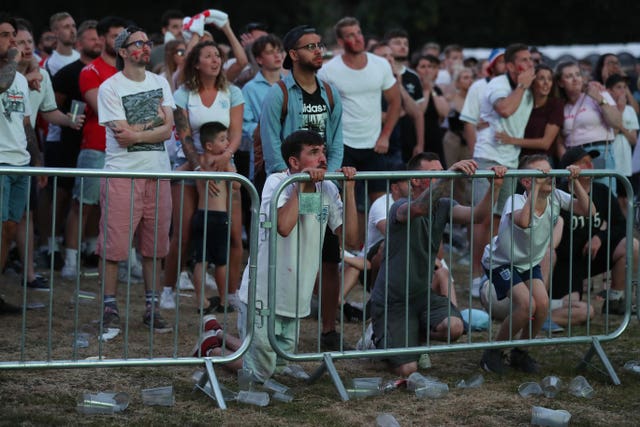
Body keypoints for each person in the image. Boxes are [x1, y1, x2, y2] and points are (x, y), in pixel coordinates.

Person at [237, 130, 358, 383]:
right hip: (264, 294)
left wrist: (350, 191)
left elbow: (352, 239)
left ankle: (219, 338)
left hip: (296, 297)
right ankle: (212, 348)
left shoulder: (327, 187)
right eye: (314, 153)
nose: (322, 158)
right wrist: (302, 184)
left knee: (279, 365)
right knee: (258, 373)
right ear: (294, 162)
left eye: (323, 151)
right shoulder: (276, 182)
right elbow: (284, 226)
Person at [370, 156, 507, 376]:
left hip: (421, 296)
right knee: (407, 370)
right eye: (435, 173)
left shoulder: (443, 205)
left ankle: (410, 336)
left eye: (443, 172)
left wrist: (495, 186)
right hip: (392, 302)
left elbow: (478, 216)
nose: (444, 176)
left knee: (455, 327)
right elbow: (420, 208)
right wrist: (448, 174)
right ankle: (380, 340)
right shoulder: (400, 206)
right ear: (415, 180)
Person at [259, 25, 346, 350]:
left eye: (319, 45)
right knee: (292, 250)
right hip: (293, 187)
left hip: (321, 186)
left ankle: (328, 329)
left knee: (327, 256)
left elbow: (336, 141)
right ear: (293, 55)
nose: (317, 50)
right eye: (309, 46)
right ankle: (276, 319)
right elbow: (271, 147)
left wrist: (328, 180)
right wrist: (293, 183)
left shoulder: (330, 93)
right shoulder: (279, 94)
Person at [480, 154, 594, 374]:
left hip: (527, 262)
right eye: (541, 174)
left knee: (542, 305)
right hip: (501, 262)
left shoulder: (557, 197)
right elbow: (524, 221)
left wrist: (576, 183)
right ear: (526, 181)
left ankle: (520, 352)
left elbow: (588, 210)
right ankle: (493, 352)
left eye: (550, 172)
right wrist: (536, 189)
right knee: (526, 306)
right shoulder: (516, 201)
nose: (549, 177)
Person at [96, 26, 175, 332]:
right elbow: (122, 136)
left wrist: (138, 129)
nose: (145, 47)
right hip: (123, 174)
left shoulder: (160, 82)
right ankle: (109, 306)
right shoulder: (110, 87)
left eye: (147, 42)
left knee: (155, 247)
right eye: (138, 43)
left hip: (158, 173)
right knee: (114, 246)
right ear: (123, 51)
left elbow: (168, 130)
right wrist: (154, 124)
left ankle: (152, 307)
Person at [164, 40, 244, 311]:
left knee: (233, 234)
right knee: (184, 233)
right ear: (196, 63)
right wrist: (201, 169)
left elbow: (235, 134)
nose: (215, 59)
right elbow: (184, 136)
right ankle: (167, 289)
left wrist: (224, 158)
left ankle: (230, 293)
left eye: (217, 55)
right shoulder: (183, 94)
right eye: (208, 55)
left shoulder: (232, 92)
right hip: (191, 167)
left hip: (224, 167)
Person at [14, 19, 84, 290]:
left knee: (26, 215)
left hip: (26, 153)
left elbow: (48, 110)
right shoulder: (5, 76)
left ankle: (30, 273)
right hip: (8, 154)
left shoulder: (42, 75)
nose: (28, 46)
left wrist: (68, 121)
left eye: (30, 41)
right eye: (21, 42)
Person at [61, 16, 127, 280]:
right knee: (83, 205)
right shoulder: (90, 71)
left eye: (123, 36)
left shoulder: (128, 72)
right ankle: (70, 260)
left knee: (123, 210)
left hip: (125, 149)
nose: (119, 42)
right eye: (114, 36)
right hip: (96, 146)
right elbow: (105, 111)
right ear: (101, 39)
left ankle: (125, 261)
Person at [469, 44, 535, 298]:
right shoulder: (497, 84)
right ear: (509, 66)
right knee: (482, 219)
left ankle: (490, 271)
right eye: (523, 60)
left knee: (500, 220)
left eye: (531, 59)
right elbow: (505, 109)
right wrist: (521, 86)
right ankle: (476, 276)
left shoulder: (527, 86)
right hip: (488, 158)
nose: (529, 64)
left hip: (511, 162)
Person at [318, 17, 401, 208]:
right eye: (350, 35)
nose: (357, 38)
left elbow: (395, 101)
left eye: (359, 33)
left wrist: (385, 135)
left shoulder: (380, 64)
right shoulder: (328, 70)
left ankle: (378, 239)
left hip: (375, 144)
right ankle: (350, 239)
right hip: (344, 145)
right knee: (347, 205)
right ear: (340, 41)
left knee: (381, 205)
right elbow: (324, 110)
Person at [551, 147, 638, 318]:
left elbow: (621, 225)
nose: (590, 165)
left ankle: (614, 299)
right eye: (584, 162)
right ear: (570, 168)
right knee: (573, 309)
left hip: (592, 254)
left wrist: (600, 237)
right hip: (564, 261)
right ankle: (534, 318)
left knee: (632, 245)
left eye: (591, 161)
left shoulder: (602, 191)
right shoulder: (559, 193)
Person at [0, 14, 46, 313]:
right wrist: (15, 58)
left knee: (9, 229)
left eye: (13, 35)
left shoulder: (17, 76)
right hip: (0, 163)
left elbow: (26, 122)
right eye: (5, 35)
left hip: (21, 163)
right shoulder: (10, 73)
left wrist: (38, 159)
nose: (12, 41)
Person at [178, 122, 238, 313]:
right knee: (221, 261)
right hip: (219, 217)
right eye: (222, 139)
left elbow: (177, 172)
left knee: (200, 260)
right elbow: (237, 185)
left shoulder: (199, 161)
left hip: (201, 215)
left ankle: (201, 301)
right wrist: (229, 167)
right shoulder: (223, 162)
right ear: (209, 145)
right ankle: (223, 301)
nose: (227, 142)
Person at [555, 61, 622, 169]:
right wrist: (565, 160)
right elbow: (559, 140)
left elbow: (617, 123)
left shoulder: (599, 93)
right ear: (560, 83)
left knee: (603, 186)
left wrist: (598, 98)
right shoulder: (560, 105)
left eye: (578, 74)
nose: (575, 79)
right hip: (574, 156)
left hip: (599, 152)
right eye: (569, 76)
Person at [495, 64, 564, 163]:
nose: (546, 83)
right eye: (541, 78)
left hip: (543, 160)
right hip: (520, 159)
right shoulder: (523, 103)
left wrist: (511, 140)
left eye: (549, 79)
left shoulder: (556, 105)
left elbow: (545, 143)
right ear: (532, 82)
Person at [384, 29, 425, 163]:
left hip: (407, 138)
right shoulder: (377, 73)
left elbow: (418, 114)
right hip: (383, 139)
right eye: (397, 43)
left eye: (405, 43)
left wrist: (420, 144)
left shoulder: (413, 77)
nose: (403, 46)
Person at [605, 73, 639, 209]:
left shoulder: (630, 110)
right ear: (609, 91)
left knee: (625, 200)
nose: (623, 91)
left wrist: (620, 126)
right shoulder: (606, 109)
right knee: (614, 200)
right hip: (611, 162)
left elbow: (633, 139)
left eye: (624, 87)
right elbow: (612, 135)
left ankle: (627, 230)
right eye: (619, 87)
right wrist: (619, 111)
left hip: (626, 164)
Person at [412, 54, 449, 165]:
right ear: (415, 69)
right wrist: (426, 90)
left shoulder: (436, 89)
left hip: (434, 137)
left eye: (430, 66)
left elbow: (444, 112)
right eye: (423, 67)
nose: (427, 70)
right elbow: (419, 112)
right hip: (416, 137)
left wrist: (431, 89)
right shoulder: (412, 88)